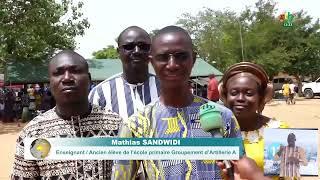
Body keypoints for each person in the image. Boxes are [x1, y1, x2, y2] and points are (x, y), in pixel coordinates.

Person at [112, 26, 241, 179]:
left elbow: (240, 172)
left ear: (193, 59)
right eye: (163, 57)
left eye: (181, 56)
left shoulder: (222, 116)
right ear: (151, 62)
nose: (172, 64)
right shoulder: (137, 125)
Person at [11, 50, 123, 179]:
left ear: (89, 79)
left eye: (75, 71)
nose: (67, 78)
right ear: (50, 83)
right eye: (58, 73)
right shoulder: (33, 133)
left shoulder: (116, 125)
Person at [218, 62, 289, 171]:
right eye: (234, 93)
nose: (240, 98)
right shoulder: (213, 132)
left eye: (249, 93)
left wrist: (255, 175)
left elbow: (292, 175)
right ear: (225, 97)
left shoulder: (279, 130)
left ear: (261, 98)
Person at [89, 26, 160, 120]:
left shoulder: (167, 88)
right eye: (129, 47)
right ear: (118, 52)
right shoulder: (100, 93)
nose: (137, 51)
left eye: (143, 46)